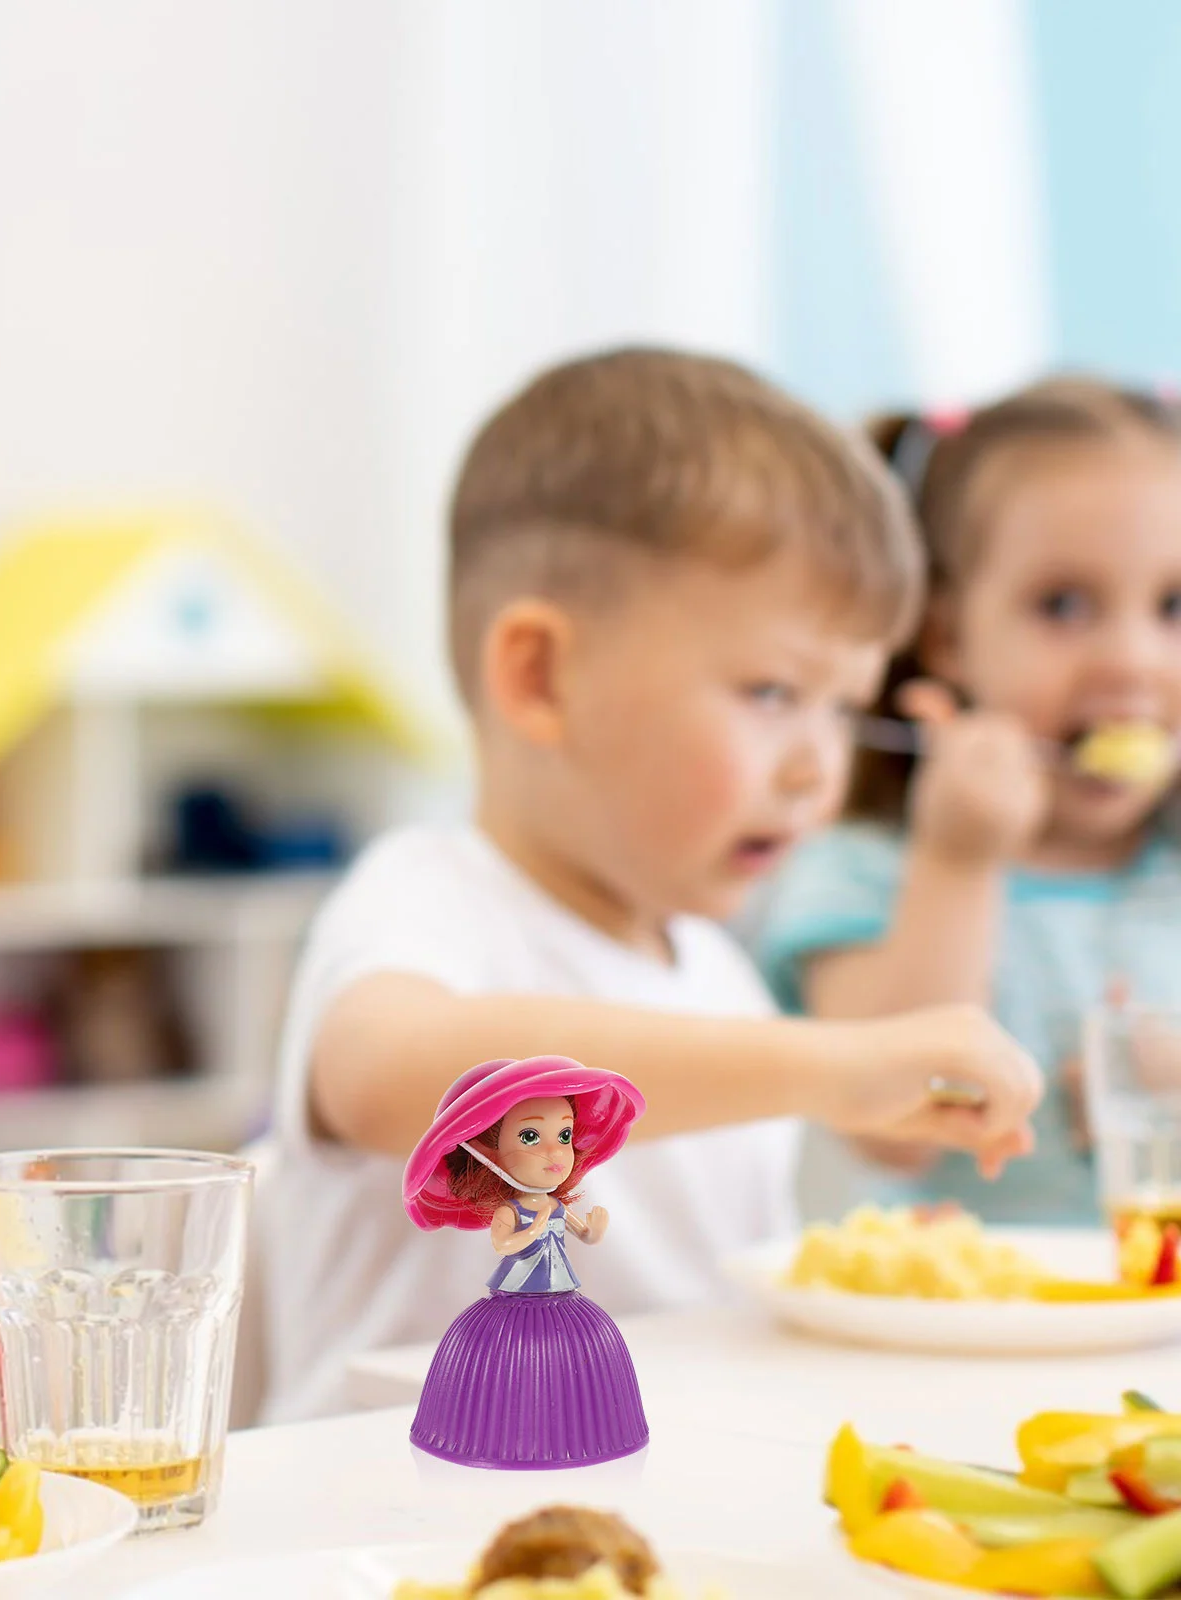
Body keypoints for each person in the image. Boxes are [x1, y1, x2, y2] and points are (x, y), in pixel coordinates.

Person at [256, 348, 1043, 1422]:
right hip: (385, 1534)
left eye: (840, 706)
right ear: (540, 676)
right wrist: (823, 1064)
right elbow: (387, 1076)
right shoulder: (425, 898)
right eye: (771, 691)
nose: (818, 766)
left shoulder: (714, 976)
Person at [760, 381, 1181, 1223]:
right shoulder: (862, 872)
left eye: (1173, 606)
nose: (1132, 657)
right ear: (947, 637)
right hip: (968, 1334)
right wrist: (958, 860)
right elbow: (897, 1134)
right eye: (1063, 605)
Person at [403, 1055, 648, 1469]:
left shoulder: (552, 1204)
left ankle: (580, 1440)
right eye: (531, 1136)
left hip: (561, 1295)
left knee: (588, 1354)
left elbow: (581, 1234)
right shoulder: (512, 1210)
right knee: (506, 1367)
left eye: (566, 1134)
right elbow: (504, 1244)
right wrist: (527, 1233)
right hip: (514, 1294)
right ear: (486, 1152)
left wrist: (592, 1229)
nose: (555, 1151)